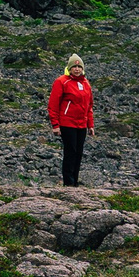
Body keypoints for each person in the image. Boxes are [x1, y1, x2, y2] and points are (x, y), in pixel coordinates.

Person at [46, 53, 94, 186]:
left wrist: (90, 125)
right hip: (67, 123)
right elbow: (53, 104)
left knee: (78, 152)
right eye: (74, 67)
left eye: (79, 67)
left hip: (81, 124)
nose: (77, 69)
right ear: (69, 68)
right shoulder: (61, 81)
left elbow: (89, 106)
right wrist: (55, 124)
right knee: (70, 151)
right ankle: (68, 182)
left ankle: (75, 181)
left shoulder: (86, 83)